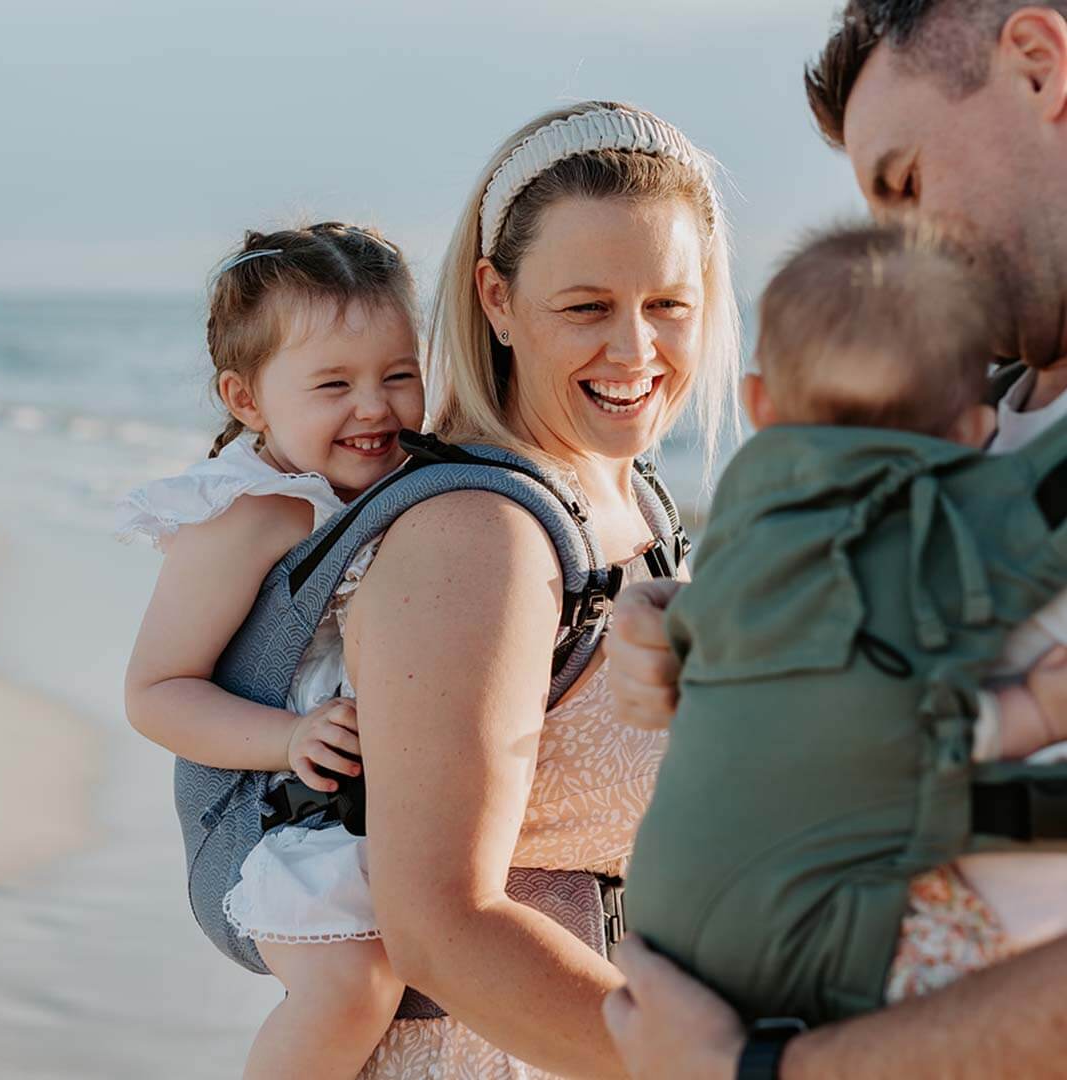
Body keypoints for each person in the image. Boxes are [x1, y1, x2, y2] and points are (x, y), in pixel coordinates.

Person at [604, 2, 1067, 1075]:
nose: (903, 246)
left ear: (1040, 67)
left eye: (904, 181)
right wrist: (705, 635)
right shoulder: (952, 414)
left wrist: (759, 1070)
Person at [323, 101, 739, 1077]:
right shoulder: (482, 536)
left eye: (668, 303)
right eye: (587, 307)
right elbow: (441, 926)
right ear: (498, 300)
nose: (637, 351)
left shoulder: (634, 497)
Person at [118, 222, 425, 1079]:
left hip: (369, 797)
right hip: (274, 819)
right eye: (334, 384)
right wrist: (286, 740)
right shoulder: (255, 515)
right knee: (354, 986)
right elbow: (155, 691)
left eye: (400, 375)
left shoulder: (406, 479)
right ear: (247, 400)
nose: (375, 407)